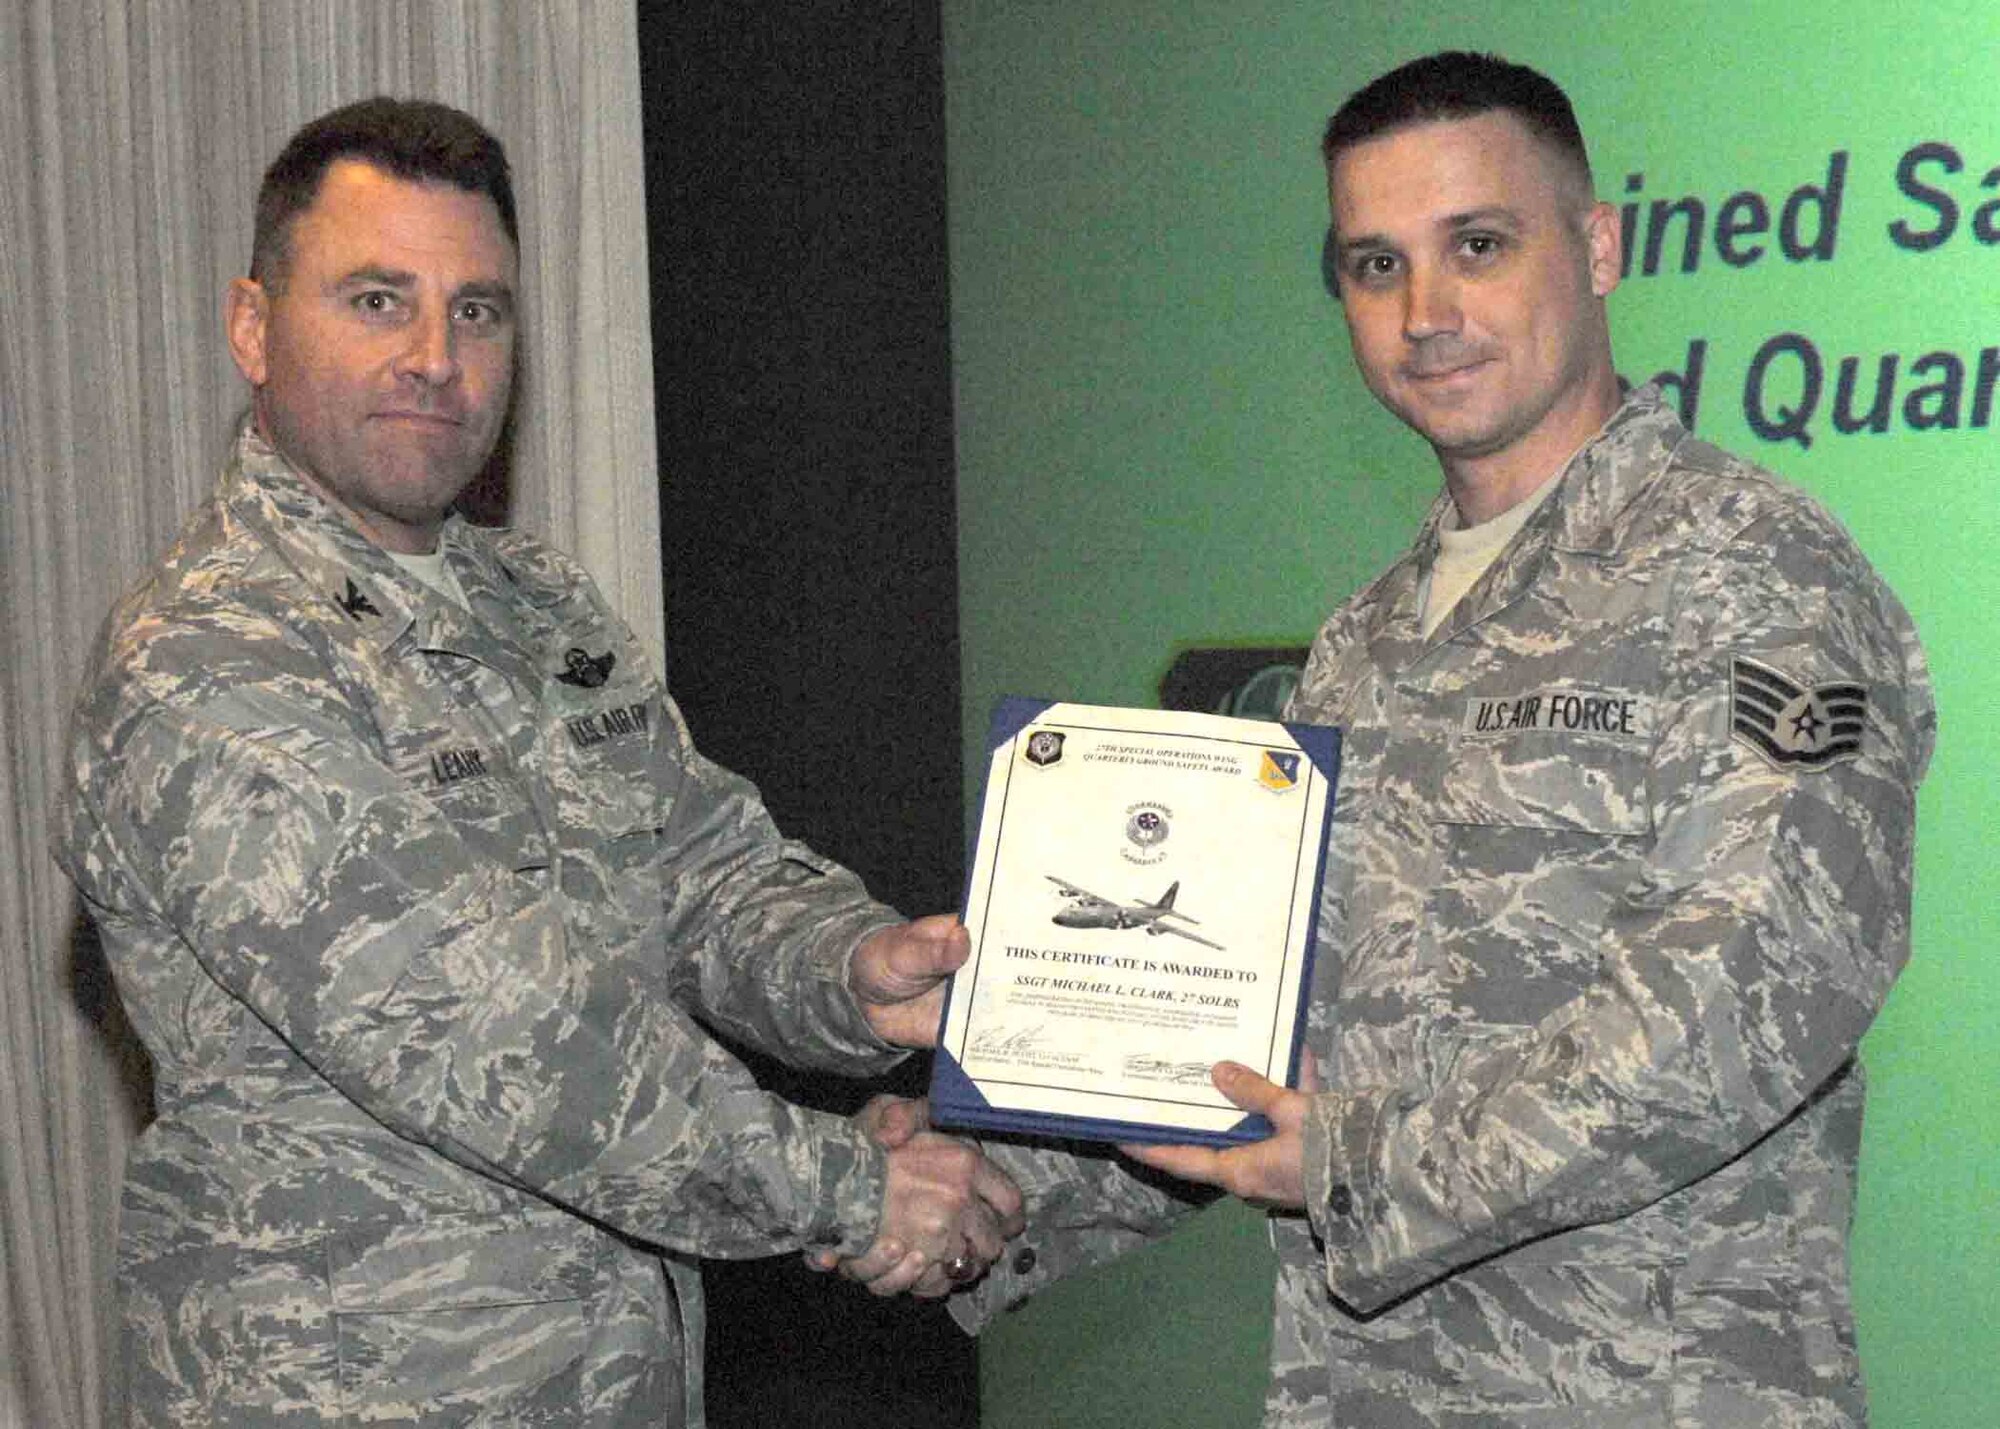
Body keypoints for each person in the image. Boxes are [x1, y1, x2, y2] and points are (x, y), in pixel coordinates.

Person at [912, 51, 1935, 1427]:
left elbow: (1751, 997)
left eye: (1480, 246)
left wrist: (1355, 1162)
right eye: (1376, 265)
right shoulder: (1366, 639)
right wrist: (986, 1186)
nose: (1427, 313)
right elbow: (1263, 1037)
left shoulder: (1752, 572)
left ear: (1598, 247)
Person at [53, 96, 1020, 1427]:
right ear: (254, 328)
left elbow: (699, 870)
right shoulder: (207, 658)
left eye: (479, 311)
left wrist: (850, 971)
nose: (434, 358)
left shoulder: (538, 604)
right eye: (377, 301)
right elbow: (498, 1037)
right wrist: (855, 1189)